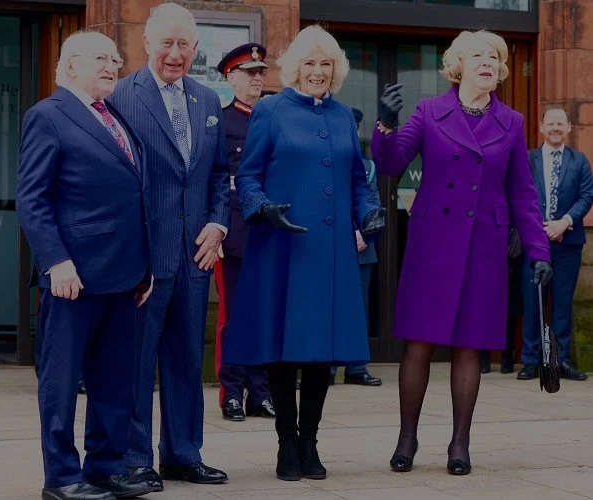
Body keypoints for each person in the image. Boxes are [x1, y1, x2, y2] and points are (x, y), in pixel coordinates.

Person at [371, 30, 552, 476]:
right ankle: (407, 438)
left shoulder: (511, 121)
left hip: (484, 249)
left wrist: (538, 250)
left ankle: (459, 444)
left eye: (494, 57)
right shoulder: (430, 112)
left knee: (471, 348)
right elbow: (392, 165)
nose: (488, 62)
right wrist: (385, 125)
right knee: (419, 344)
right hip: (433, 244)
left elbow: (523, 194)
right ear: (459, 65)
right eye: (478, 55)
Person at [222, 25, 385, 482]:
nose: (318, 71)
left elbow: (356, 179)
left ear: (336, 70)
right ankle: (286, 442)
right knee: (283, 349)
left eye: (326, 64)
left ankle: (310, 442)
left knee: (320, 351)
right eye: (311, 63)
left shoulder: (340, 117)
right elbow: (248, 176)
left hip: (330, 250)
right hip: (283, 245)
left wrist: (369, 213)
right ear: (296, 67)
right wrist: (262, 209)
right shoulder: (271, 110)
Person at [17, 31, 154, 500]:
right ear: (70, 65)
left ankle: (106, 468)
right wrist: (56, 261)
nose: (112, 65)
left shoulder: (114, 116)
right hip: (72, 277)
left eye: (115, 59)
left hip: (124, 276)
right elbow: (33, 199)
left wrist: (145, 269)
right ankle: (62, 478)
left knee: (115, 381)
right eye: (101, 58)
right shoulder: (48, 116)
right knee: (60, 382)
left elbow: (134, 196)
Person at [108, 3, 230, 490]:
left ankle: (182, 453)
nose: (175, 53)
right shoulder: (121, 96)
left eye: (184, 44)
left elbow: (220, 175)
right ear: (147, 44)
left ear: (196, 49)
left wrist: (218, 225)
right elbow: (114, 181)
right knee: (137, 361)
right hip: (144, 257)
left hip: (194, 255)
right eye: (167, 43)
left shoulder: (207, 100)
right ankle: (133, 458)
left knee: (184, 360)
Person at [213, 43, 275, 422]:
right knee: (233, 317)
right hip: (234, 234)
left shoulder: (274, 118)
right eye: (248, 72)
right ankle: (232, 393)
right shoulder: (220, 122)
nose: (256, 78)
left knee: (265, 317)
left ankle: (261, 393)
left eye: (260, 72)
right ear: (230, 77)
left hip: (269, 234)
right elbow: (214, 181)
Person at [518, 108, 593, 381]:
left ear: (569, 128)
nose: (555, 128)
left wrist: (564, 222)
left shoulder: (580, 161)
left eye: (560, 123)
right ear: (541, 127)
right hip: (535, 242)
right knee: (533, 301)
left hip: (568, 243)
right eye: (551, 123)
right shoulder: (528, 159)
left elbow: (586, 196)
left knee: (562, 305)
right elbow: (521, 196)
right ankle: (531, 360)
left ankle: (559, 361)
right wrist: (541, 228)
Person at [330, 107, 382, 387]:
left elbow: (371, 200)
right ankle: (325, 368)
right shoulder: (322, 158)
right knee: (328, 308)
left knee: (358, 309)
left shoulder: (368, 166)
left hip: (362, 248)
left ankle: (357, 367)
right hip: (331, 245)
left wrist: (365, 231)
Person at [479, 227, 523, 374]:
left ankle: (507, 358)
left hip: (512, 240)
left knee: (510, 309)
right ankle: (483, 357)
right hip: (486, 241)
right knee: (483, 308)